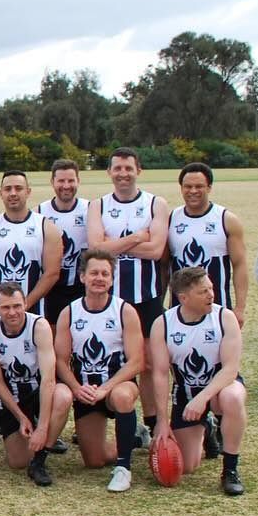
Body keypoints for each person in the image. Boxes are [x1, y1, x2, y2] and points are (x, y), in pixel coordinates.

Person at [0, 170, 61, 445]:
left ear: (28, 191)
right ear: (0, 193)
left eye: (18, 188)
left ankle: (45, 423)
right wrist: (2, 308)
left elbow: (51, 272)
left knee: (43, 367)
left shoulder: (45, 226)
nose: (13, 193)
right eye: (7, 188)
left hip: (34, 309)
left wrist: (24, 307)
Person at [87, 146, 168, 440]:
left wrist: (114, 244)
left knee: (147, 363)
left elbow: (157, 250)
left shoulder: (156, 204)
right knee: (115, 361)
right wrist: (136, 237)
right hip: (111, 301)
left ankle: (151, 423)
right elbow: (95, 249)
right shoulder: (98, 205)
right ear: (109, 172)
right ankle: (125, 424)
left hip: (146, 297)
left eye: (128, 168)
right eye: (117, 169)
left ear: (138, 171)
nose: (123, 174)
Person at [49, 249, 145, 492]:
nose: (99, 278)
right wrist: (76, 388)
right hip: (86, 391)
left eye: (105, 273)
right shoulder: (69, 312)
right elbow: (60, 360)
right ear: (82, 277)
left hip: (115, 387)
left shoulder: (124, 311)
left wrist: (105, 389)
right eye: (94, 273)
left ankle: (123, 469)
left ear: (112, 279)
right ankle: (133, 438)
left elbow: (136, 362)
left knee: (122, 397)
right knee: (94, 461)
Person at [148, 267, 245, 495]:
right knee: (187, 466)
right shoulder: (163, 324)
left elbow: (230, 369)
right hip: (185, 393)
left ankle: (230, 469)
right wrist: (162, 422)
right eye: (203, 292)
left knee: (232, 397)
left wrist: (203, 398)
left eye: (211, 288)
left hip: (220, 389)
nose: (211, 295)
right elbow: (160, 374)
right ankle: (207, 428)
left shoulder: (224, 317)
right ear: (183, 298)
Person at [0, 283, 60, 487]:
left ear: (25, 303)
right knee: (17, 462)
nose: (12, 312)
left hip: (39, 392)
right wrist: (21, 417)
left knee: (63, 396)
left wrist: (42, 428)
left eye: (17, 306)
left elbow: (49, 379)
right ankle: (35, 432)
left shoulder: (39, 327)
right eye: (5, 307)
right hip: (13, 398)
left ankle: (40, 460)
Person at [168, 162, 247, 322]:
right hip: (180, 310)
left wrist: (239, 308)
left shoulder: (226, 219)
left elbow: (239, 265)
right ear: (181, 188)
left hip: (218, 308)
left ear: (209, 187)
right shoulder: (171, 219)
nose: (193, 191)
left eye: (199, 186)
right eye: (187, 186)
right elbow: (165, 266)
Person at [36, 159, 91, 323]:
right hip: (51, 289)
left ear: (78, 181)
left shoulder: (91, 209)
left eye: (71, 180)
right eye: (61, 180)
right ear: (52, 182)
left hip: (82, 288)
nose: (66, 186)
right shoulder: (39, 212)